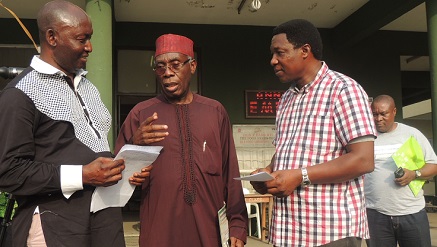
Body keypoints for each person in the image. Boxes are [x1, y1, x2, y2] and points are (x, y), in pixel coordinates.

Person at [0, 1, 151, 246]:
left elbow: (86, 151)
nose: (89, 47)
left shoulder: (89, 89)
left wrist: (126, 163)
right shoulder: (20, 93)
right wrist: (83, 175)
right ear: (52, 37)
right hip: (57, 225)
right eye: (82, 39)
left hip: (105, 221)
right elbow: (9, 172)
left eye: (90, 38)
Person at [249, 19, 376, 246]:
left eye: (280, 52)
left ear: (305, 50)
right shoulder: (286, 99)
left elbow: (363, 160)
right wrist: (268, 173)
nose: (273, 61)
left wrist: (300, 176)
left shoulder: (344, 90)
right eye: (272, 54)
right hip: (288, 231)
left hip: (330, 232)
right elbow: (287, 151)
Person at [115, 33, 248, 247]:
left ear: (192, 66)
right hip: (159, 230)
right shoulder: (141, 114)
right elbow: (116, 172)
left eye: (175, 65)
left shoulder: (215, 112)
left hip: (210, 230)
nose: (167, 73)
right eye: (160, 67)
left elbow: (230, 171)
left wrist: (238, 224)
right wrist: (134, 143)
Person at [365, 94, 437, 247]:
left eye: (383, 114)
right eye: (375, 114)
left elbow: (433, 165)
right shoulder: (366, 137)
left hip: (412, 213)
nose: (378, 118)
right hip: (375, 216)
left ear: (394, 111)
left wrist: (415, 174)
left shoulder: (412, 134)